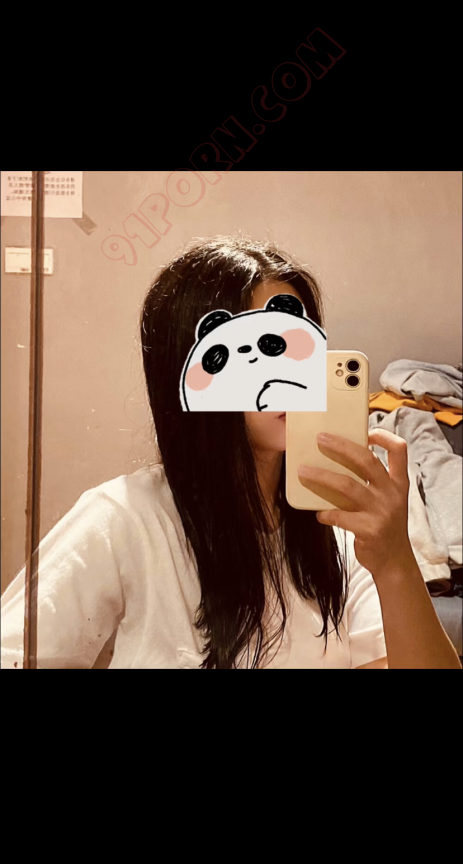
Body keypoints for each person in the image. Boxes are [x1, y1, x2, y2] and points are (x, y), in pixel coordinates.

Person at [1, 236, 461, 669]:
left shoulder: (339, 532)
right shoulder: (125, 519)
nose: (287, 375)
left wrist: (396, 562)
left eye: (292, 343)